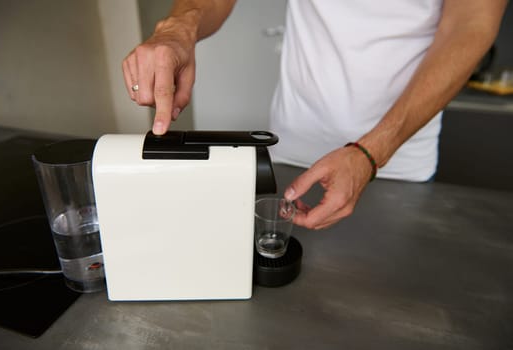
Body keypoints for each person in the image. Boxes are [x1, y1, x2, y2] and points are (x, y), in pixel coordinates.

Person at [122, 0, 507, 230]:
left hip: (397, 162)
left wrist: (373, 152)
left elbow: (471, 22)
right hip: (292, 146)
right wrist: (180, 26)